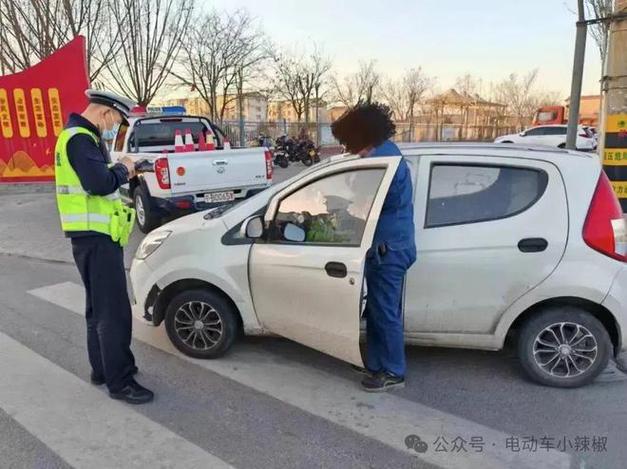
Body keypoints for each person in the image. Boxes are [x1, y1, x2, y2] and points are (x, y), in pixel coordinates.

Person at [54, 89, 154, 404]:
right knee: (114, 311)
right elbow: (99, 184)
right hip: (96, 238)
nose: (116, 127)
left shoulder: (77, 136)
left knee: (97, 309)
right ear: (104, 113)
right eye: (117, 121)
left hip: (90, 237)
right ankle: (120, 382)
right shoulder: (80, 138)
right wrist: (125, 167)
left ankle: (104, 370)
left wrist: (128, 168)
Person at [331, 102, 417, 392]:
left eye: (352, 144)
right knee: (380, 309)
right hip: (387, 245)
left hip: (388, 249)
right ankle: (378, 364)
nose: (353, 151)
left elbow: (365, 201)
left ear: (361, 135)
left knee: (385, 311)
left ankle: (393, 371)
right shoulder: (387, 152)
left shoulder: (383, 162)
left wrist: (341, 207)